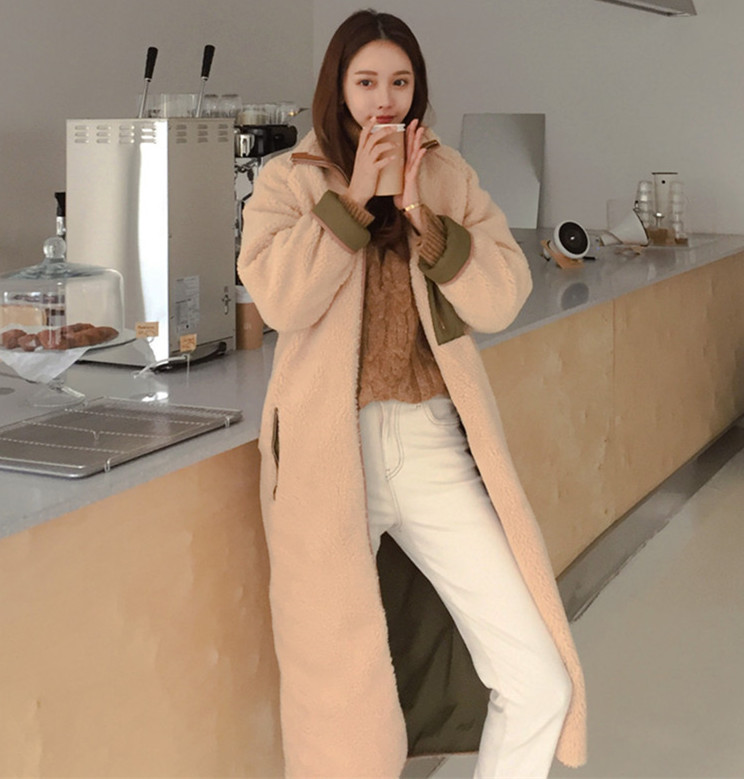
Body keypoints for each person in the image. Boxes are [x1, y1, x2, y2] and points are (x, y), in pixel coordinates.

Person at [237, 9, 586, 778]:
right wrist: (356, 198)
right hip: (331, 456)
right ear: (337, 87)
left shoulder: (445, 174)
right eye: (365, 82)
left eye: (399, 81)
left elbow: (501, 296)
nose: (383, 100)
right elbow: (281, 302)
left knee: (539, 680)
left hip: (431, 443)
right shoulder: (289, 179)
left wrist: (420, 213)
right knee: (341, 722)